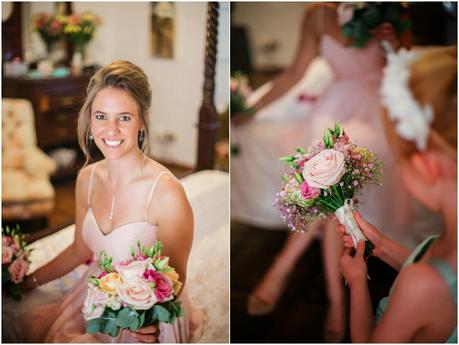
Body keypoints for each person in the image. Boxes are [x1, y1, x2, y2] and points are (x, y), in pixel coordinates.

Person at [236, 3, 416, 342]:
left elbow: (406, 73)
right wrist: (249, 111)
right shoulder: (316, 14)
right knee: (328, 166)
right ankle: (336, 300)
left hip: (379, 103)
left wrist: (394, 45)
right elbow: (293, 73)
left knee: (336, 169)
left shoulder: (394, 10)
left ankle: (285, 269)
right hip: (334, 103)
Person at [19, 61, 196, 343]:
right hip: (99, 297)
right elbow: (80, 249)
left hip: (149, 317)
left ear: (142, 119)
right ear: (90, 120)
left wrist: (143, 321)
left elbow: (174, 279)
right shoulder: (86, 179)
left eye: (124, 117)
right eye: (101, 116)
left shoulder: (167, 193)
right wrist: (29, 281)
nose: (110, 130)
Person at [339, 46, 457, 342]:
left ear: (426, 168)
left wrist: (356, 283)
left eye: (397, 159)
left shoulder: (421, 286)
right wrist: (383, 247)